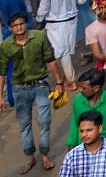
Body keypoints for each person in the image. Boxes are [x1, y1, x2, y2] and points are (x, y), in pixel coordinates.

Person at [0, 12, 65, 172]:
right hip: (19, 88)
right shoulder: (6, 45)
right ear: (10, 28)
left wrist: (59, 82)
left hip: (41, 85)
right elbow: (1, 72)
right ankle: (30, 157)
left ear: (26, 24)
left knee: (44, 121)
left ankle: (44, 154)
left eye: (21, 24)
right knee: (24, 124)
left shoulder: (40, 37)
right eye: (15, 26)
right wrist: (0, 96)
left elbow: (51, 60)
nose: (19, 27)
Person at [36, 0, 85, 92]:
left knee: (62, 51)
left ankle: (70, 81)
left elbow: (44, 5)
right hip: (72, 19)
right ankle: (67, 79)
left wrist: (39, 19)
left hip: (55, 22)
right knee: (65, 50)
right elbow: (82, 0)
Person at [59, 110, 106, 177]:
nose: (84, 134)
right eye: (81, 131)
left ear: (100, 128)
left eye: (89, 130)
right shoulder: (71, 157)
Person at [67, 68, 106, 147]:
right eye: (80, 87)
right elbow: (74, 127)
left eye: (84, 88)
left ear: (96, 88)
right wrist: (70, 153)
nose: (80, 90)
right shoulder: (78, 100)